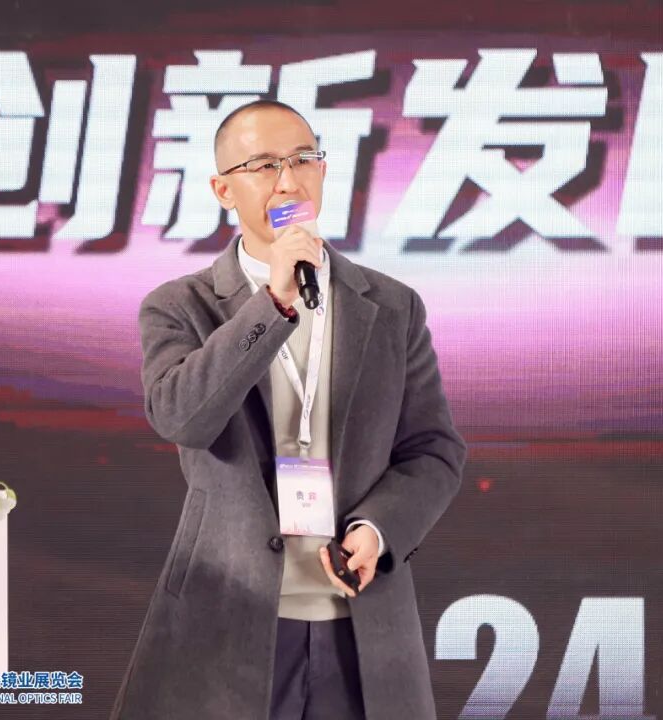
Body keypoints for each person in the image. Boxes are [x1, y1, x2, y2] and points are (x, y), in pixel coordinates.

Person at [110, 99, 466, 720]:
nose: (287, 180)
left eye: (303, 159)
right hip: (229, 620)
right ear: (223, 189)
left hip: (361, 622)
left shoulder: (392, 306)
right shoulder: (180, 306)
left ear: (323, 172)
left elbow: (433, 451)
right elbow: (181, 417)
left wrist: (378, 529)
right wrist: (272, 303)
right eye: (263, 165)